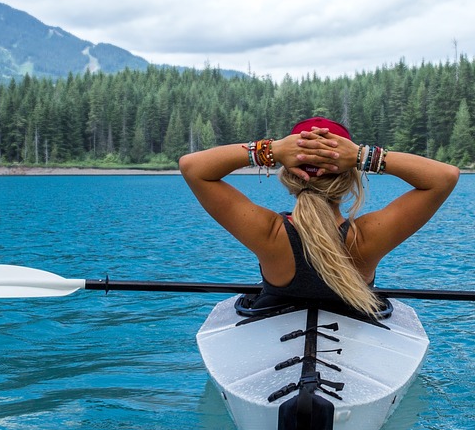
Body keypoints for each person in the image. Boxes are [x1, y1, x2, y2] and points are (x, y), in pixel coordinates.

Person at [178, 117, 460, 316]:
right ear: (351, 177)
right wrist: (363, 155)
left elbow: (192, 167)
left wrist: (270, 150)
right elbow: (445, 176)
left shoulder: (268, 234)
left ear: (288, 174)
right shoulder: (366, 238)